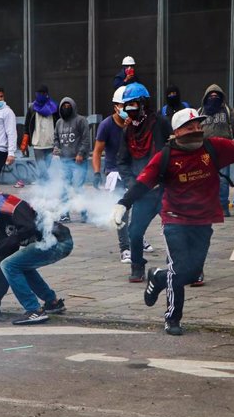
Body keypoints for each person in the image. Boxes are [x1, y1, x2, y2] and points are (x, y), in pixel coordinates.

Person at [112, 108, 234, 335]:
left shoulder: (213, 147)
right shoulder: (166, 157)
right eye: (190, 127)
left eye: (198, 126)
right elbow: (143, 182)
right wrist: (123, 204)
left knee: (193, 272)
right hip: (175, 220)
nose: (196, 130)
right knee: (179, 270)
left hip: (203, 221)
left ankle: (158, 276)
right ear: (177, 132)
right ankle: (172, 319)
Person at [0, 191, 71, 324]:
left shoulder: (7, 205)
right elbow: (4, 259)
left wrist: (0, 246)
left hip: (57, 241)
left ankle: (34, 310)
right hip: (51, 243)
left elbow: (29, 228)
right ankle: (52, 302)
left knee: (10, 265)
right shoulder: (1, 219)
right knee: (16, 264)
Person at [116, 83, 172, 282]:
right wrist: (133, 184)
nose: (129, 109)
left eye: (133, 104)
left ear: (143, 103)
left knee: (175, 230)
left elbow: (173, 151)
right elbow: (122, 161)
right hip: (142, 192)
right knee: (135, 231)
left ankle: (181, 266)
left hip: (165, 189)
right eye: (127, 105)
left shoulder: (161, 124)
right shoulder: (127, 131)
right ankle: (137, 266)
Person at [93, 86, 131, 262]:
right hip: (114, 173)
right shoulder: (106, 125)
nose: (126, 109)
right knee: (121, 211)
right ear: (116, 106)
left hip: (132, 171)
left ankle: (136, 236)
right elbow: (97, 151)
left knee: (141, 209)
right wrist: (96, 173)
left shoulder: (135, 123)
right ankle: (125, 248)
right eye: (122, 105)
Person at [197, 84, 234, 216]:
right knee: (205, 179)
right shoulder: (200, 112)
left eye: (216, 95)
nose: (214, 97)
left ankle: (222, 207)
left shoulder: (229, 112)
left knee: (223, 179)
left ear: (221, 97)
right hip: (204, 151)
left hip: (223, 150)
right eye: (211, 96)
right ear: (206, 97)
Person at [53, 97, 90, 223]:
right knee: (64, 187)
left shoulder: (81, 120)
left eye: (68, 106)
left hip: (79, 161)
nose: (66, 108)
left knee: (78, 187)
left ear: (73, 106)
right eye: (64, 106)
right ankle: (64, 214)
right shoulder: (58, 123)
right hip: (64, 161)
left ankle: (84, 213)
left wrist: (81, 153)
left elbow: (86, 140)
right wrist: (57, 147)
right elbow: (56, 138)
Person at [22, 85, 59, 184]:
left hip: (50, 142)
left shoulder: (54, 107)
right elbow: (27, 125)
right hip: (37, 142)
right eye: (39, 93)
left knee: (47, 166)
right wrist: (25, 141)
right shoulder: (32, 108)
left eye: (43, 93)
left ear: (47, 94)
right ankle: (46, 184)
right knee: (41, 166)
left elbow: (59, 123)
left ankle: (43, 186)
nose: (41, 95)